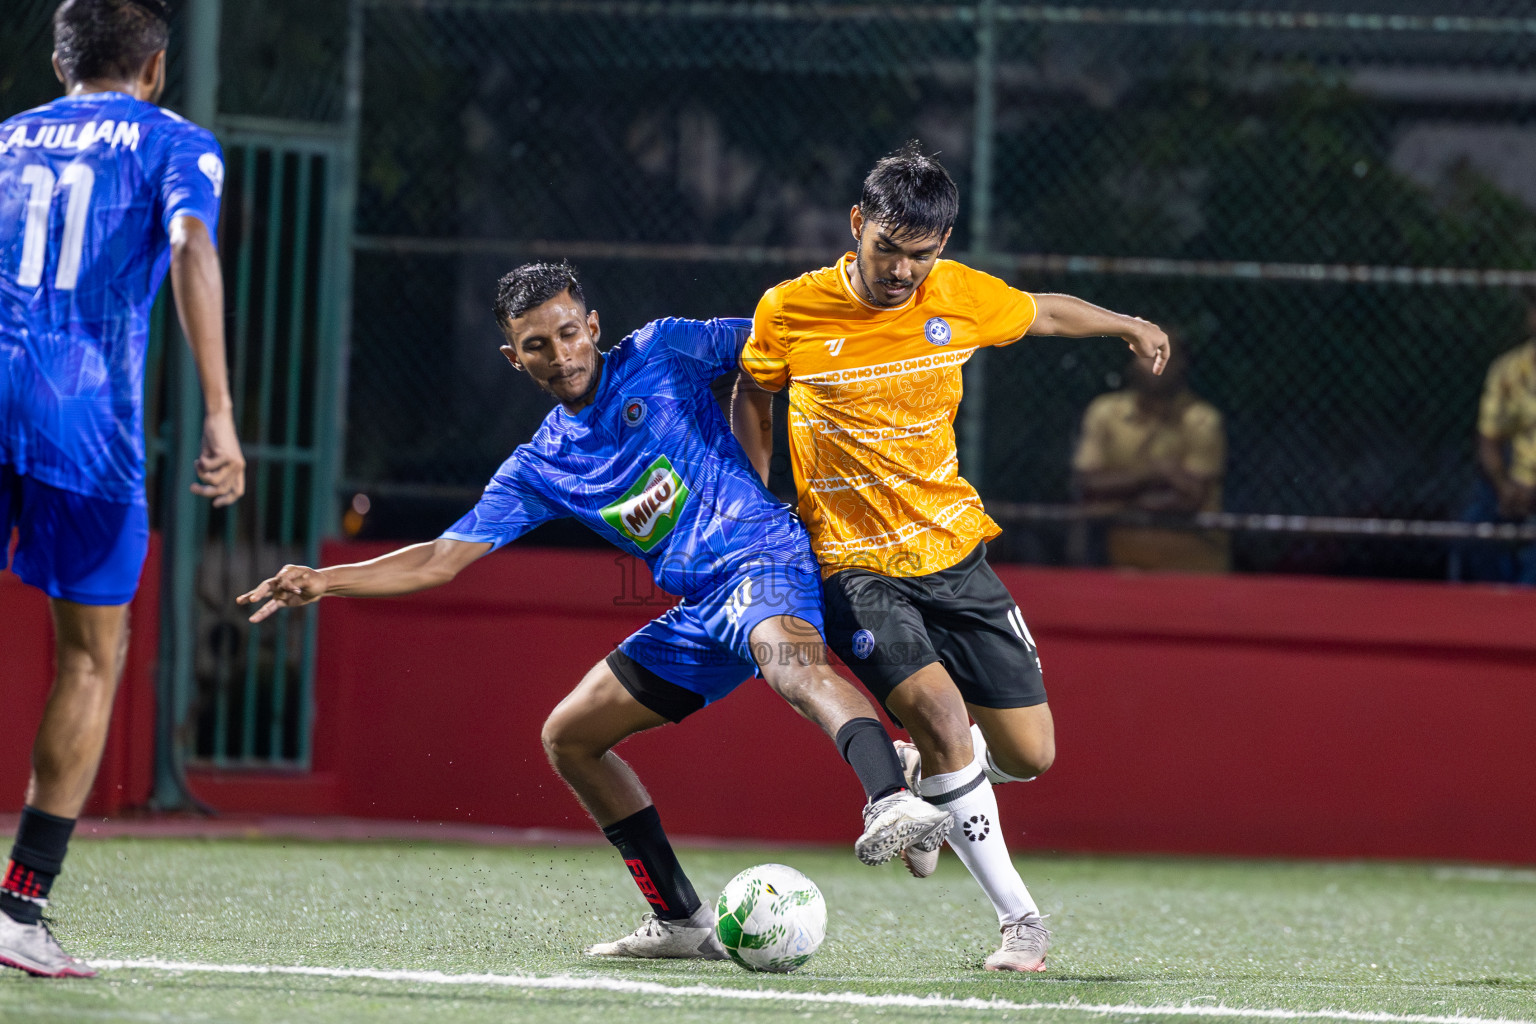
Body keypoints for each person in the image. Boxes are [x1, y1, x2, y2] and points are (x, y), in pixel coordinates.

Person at [238, 262, 950, 960]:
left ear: (594, 326)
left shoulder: (665, 349)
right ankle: (680, 919)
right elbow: (439, 558)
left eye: (570, 333)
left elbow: (780, 339)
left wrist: (883, 337)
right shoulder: (541, 465)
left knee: (791, 665)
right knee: (570, 736)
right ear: (513, 357)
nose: (560, 354)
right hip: (702, 605)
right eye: (538, 345)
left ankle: (887, 796)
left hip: (765, 558)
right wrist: (327, 581)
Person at [739, 141, 1169, 973]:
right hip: (854, 562)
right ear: (857, 225)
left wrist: (1125, 322)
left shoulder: (960, 296)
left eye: (921, 255)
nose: (902, 271)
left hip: (953, 551)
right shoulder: (792, 308)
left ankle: (932, 774)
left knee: (1029, 756)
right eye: (888, 249)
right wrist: (762, 498)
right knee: (943, 714)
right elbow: (754, 391)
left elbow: (1040, 311)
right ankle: (1021, 922)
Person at [0, 0, 245, 978]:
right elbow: (192, 247)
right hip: (83, 425)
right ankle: (18, 910)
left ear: (60, 64)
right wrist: (220, 411)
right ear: (151, 67)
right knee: (92, 658)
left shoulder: (7, 140)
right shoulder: (174, 141)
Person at [1072, 339, 1228, 573]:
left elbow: (1192, 497)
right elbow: (1088, 484)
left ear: (1183, 364)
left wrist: (1116, 504)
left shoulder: (1201, 419)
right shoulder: (1105, 412)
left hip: (1195, 569)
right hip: (1124, 567)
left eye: (1166, 355)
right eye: (1147, 354)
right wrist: (1157, 473)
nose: (1156, 363)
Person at [1454, 296, 1536, 584]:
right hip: (1514, 482)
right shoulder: (1507, 369)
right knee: (1473, 530)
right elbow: (1488, 438)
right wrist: (1503, 486)